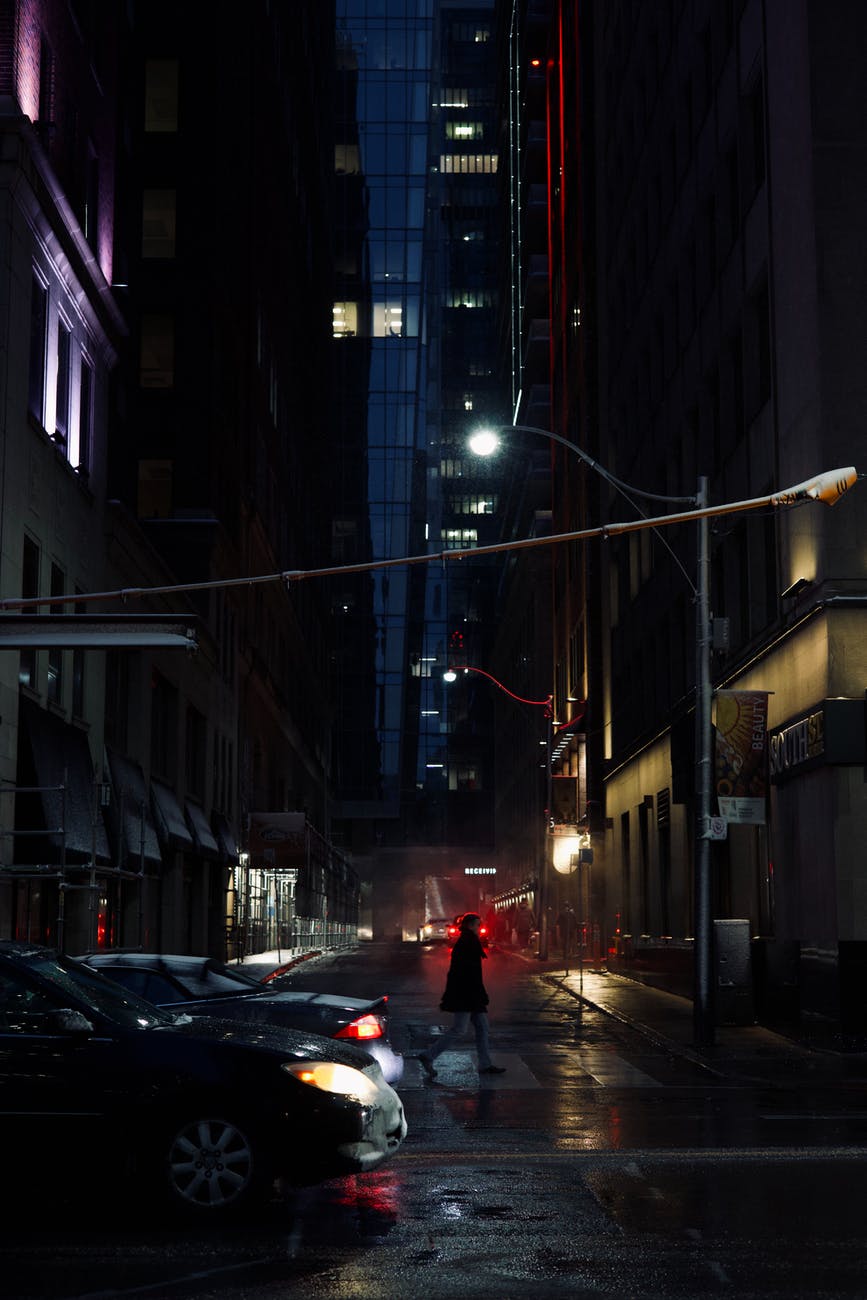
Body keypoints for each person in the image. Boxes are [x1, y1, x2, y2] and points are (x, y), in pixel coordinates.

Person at [419, 912, 505, 1079]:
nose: (479, 928)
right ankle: (428, 1055)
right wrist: (476, 994)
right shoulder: (468, 942)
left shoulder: (467, 941)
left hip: (469, 994)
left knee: (482, 1027)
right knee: (459, 1029)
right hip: (467, 995)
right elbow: (469, 974)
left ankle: (485, 1064)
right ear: (471, 925)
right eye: (477, 925)